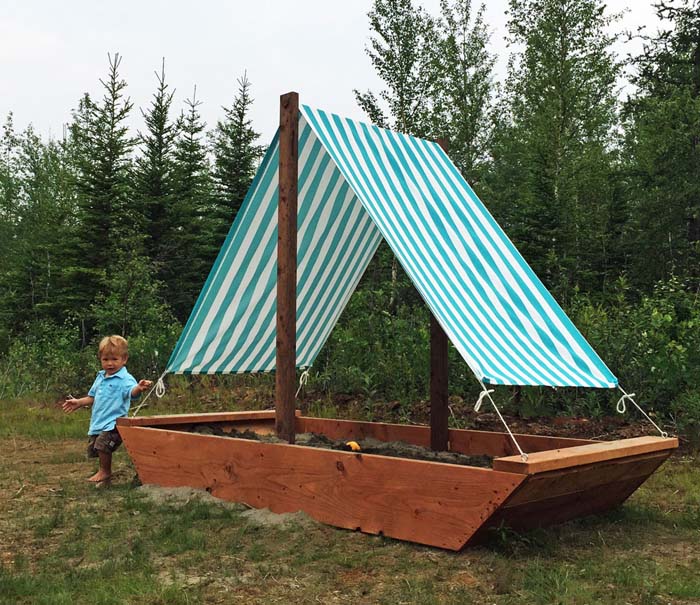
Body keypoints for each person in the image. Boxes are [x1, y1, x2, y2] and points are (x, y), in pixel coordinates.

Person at [62, 335, 152, 485]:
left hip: (114, 423)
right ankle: (105, 476)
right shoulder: (101, 377)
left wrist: (139, 388)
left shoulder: (125, 378)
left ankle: (105, 471)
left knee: (102, 445)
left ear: (124, 359)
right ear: (100, 359)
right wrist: (78, 402)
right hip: (99, 421)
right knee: (95, 448)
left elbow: (131, 392)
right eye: (106, 359)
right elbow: (92, 397)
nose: (110, 363)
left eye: (114, 359)